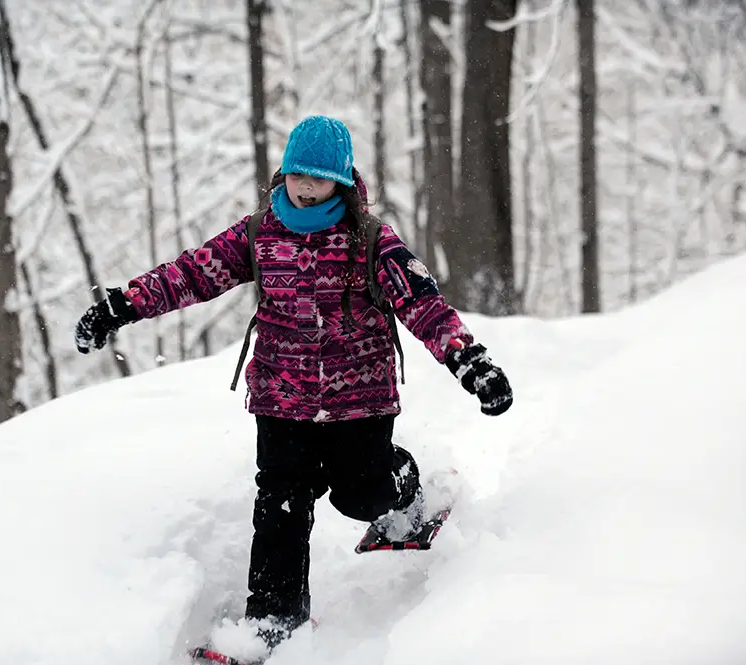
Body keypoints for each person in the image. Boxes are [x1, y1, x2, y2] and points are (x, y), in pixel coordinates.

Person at [74, 115, 513, 654]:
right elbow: (191, 273)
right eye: (297, 174)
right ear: (284, 173)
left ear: (342, 182)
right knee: (280, 504)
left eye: (319, 178)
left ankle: (408, 493)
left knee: (361, 492)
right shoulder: (259, 234)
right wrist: (121, 306)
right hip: (281, 399)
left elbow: (424, 306)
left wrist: (470, 362)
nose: (306, 187)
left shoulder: (372, 242)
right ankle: (272, 622)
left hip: (361, 401)